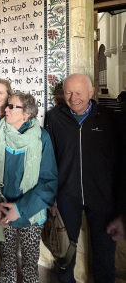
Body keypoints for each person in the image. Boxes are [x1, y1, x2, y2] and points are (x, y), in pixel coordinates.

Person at [0, 92, 58, 283]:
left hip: (31, 212)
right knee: (6, 261)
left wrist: (20, 209)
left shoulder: (41, 137)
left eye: (12, 106)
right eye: (7, 105)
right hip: (3, 209)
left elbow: (49, 180)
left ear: (27, 114)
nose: (6, 109)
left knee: (30, 265)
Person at [45, 73, 118, 283]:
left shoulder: (108, 118)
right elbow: (48, 160)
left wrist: (119, 205)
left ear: (91, 92)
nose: (73, 97)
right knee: (65, 256)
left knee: (104, 257)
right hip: (66, 197)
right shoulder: (54, 117)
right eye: (68, 92)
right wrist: (51, 195)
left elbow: (119, 161)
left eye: (79, 92)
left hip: (103, 199)